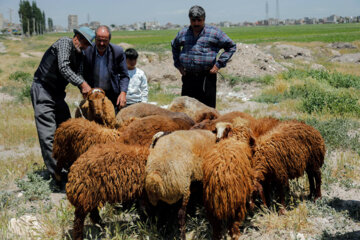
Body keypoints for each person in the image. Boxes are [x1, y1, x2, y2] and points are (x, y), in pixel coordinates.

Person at [30, 27, 95, 184]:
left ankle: (70, 165)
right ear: (77, 38)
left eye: (87, 45)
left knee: (67, 128)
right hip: (43, 88)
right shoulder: (64, 43)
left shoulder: (80, 54)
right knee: (49, 133)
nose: (86, 47)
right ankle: (57, 174)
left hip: (57, 93)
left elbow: (78, 73)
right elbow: (64, 67)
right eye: (85, 43)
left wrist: (84, 87)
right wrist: (82, 84)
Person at [171, 5, 236, 108]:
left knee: (207, 111)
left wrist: (218, 65)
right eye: (193, 20)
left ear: (204, 19)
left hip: (207, 77)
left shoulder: (214, 33)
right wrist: (178, 65)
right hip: (189, 77)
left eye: (199, 20)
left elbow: (231, 46)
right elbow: (174, 45)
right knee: (187, 110)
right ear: (189, 20)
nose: (196, 23)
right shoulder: (183, 33)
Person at [83, 25, 129, 113]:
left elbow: (124, 76)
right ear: (94, 39)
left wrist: (123, 93)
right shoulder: (87, 51)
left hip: (112, 94)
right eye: (99, 40)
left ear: (109, 40)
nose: (101, 43)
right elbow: (80, 73)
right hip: (93, 95)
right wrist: (84, 87)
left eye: (105, 41)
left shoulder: (117, 52)